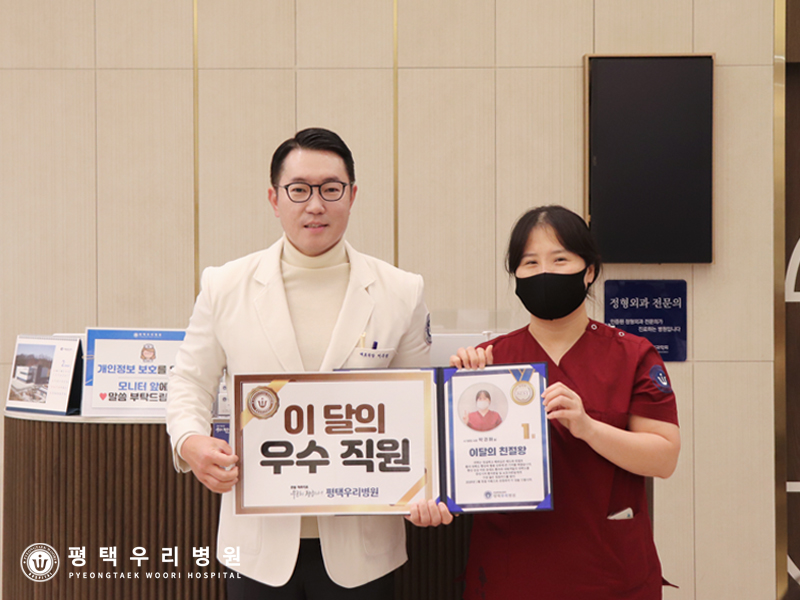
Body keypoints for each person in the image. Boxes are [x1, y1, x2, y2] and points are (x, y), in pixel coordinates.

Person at [166, 128, 450, 600]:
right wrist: (189, 441)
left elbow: (417, 407)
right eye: (299, 190)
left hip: (363, 548)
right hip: (257, 546)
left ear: (352, 195)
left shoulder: (401, 290)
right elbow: (189, 382)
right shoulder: (225, 286)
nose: (315, 205)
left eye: (330, 189)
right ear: (274, 199)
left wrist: (427, 486)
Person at [450, 205, 680, 599]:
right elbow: (454, 469)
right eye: (530, 262)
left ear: (589, 270)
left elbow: (664, 458)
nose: (544, 272)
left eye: (560, 260)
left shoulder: (633, 355)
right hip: (512, 571)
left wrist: (589, 428)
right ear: (516, 275)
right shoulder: (491, 361)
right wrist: (462, 387)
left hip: (609, 572)